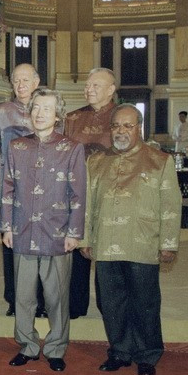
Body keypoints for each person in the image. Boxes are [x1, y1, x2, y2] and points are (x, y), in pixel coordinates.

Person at [82, 104, 181, 375]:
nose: (121, 131)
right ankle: (119, 351)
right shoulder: (97, 161)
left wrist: (169, 243)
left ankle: (147, 355)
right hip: (105, 244)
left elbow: (171, 204)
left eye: (127, 126)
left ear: (139, 128)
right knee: (110, 302)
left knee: (145, 302)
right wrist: (85, 239)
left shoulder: (159, 160)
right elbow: (88, 204)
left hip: (142, 243)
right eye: (116, 126)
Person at [1, 89, 86, 372]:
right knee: (23, 295)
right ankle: (27, 345)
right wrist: (6, 227)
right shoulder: (17, 147)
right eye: (36, 108)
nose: (39, 114)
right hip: (23, 230)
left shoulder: (72, 148)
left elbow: (78, 194)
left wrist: (74, 232)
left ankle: (55, 348)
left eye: (46, 109)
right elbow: (8, 188)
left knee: (56, 296)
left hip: (56, 232)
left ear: (57, 115)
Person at [64, 67, 117, 320]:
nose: (89, 89)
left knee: (107, 252)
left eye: (96, 85)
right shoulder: (72, 118)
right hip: (77, 193)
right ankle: (76, 305)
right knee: (77, 250)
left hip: (110, 194)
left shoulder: (122, 116)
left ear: (111, 89)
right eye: (87, 85)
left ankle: (109, 307)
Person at [0, 63, 45, 318]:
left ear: (36, 82)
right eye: (16, 81)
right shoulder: (0, 112)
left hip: (46, 191)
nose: (21, 85)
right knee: (11, 245)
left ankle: (44, 300)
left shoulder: (48, 108)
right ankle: (14, 300)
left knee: (45, 245)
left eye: (26, 80)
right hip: (12, 189)